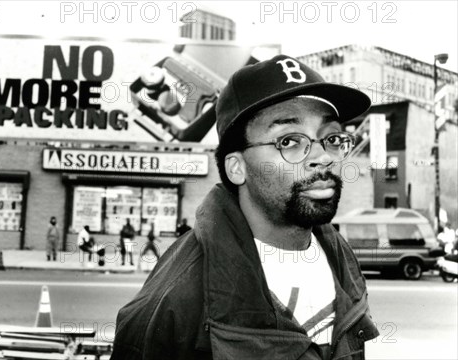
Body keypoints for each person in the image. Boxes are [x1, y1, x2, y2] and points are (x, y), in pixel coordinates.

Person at [112, 55, 379, 359]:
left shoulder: (339, 255)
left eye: (331, 137)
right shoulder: (174, 301)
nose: (323, 156)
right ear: (236, 168)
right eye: (290, 141)